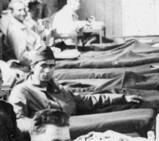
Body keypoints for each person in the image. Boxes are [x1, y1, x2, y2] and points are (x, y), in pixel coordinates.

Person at [8, 47, 140, 131]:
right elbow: (19, 121)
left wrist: (122, 98)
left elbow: (86, 100)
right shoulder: (22, 92)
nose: (48, 70)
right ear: (33, 67)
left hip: (74, 128)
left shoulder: (57, 88)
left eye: (51, 66)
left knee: (128, 110)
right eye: (43, 66)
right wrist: (45, 128)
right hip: (50, 136)